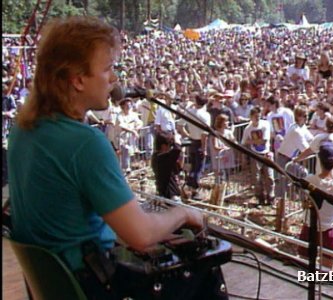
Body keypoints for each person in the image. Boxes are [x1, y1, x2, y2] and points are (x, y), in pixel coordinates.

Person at [7, 16, 227, 300]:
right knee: (207, 271)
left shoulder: (24, 130)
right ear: (77, 80)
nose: (115, 78)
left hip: (59, 285)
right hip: (94, 285)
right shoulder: (85, 143)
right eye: (108, 69)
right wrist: (184, 212)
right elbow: (141, 234)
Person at [298, 141, 333, 269]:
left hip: (309, 227)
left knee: (303, 266)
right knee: (325, 270)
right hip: (330, 230)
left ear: (319, 160)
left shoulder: (309, 180)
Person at [241, 106, 275, 205]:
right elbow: (243, 142)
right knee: (256, 178)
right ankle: (260, 197)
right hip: (255, 154)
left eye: (259, 116)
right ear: (251, 117)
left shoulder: (265, 124)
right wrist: (252, 142)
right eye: (255, 116)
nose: (258, 118)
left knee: (269, 177)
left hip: (266, 153)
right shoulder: (248, 128)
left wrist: (250, 141)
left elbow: (264, 140)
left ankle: (271, 197)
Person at [151, 132, 183, 201]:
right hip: (171, 196)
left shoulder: (155, 156)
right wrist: (177, 140)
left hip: (163, 193)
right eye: (169, 145)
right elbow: (177, 149)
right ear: (163, 146)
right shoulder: (163, 158)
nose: (170, 147)